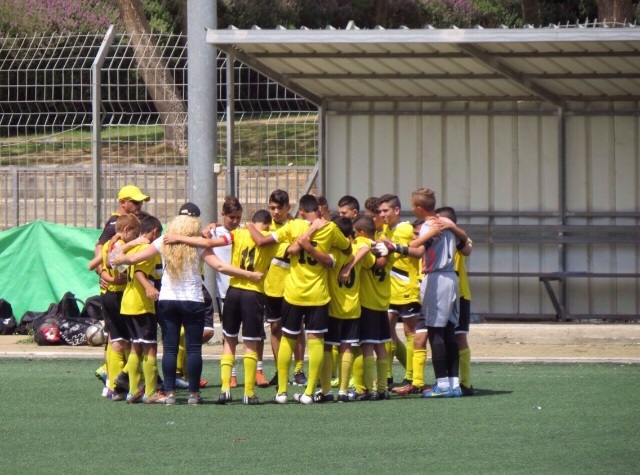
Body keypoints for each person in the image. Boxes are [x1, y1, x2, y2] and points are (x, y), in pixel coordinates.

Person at [111, 203, 263, 405]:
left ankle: (171, 394)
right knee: (193, 349)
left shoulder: (164, 241)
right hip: (192, 299)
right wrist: (249, 274)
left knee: (170, 348)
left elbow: (132, 259)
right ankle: (193, 394)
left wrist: (122, 250)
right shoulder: (198, 243)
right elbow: (220, 266)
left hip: (167, 300)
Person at [165, 209, 278, 405]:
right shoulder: (272, 238)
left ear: (251, 221)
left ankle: (225, 389)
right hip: (253, 292)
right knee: (250, 343)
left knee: (229, 341)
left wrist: (177, 237)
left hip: (232, 292)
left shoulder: (238, 233)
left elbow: (208, 243)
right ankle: (249, 393)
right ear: (268, 225)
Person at [247, 194, 351, 404]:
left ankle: (282, 391)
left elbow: (263, 240)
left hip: (293, 293)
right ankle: (309, 392)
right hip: (318, 295)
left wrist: (248, 226)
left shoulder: (293, 226)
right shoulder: (330, 229)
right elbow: (347, 248)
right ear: (320, 210)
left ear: (301, 210)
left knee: (288, 339)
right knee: (316, 342)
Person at [377, 194, 422, 392]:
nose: (382, 214)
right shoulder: (386, 229)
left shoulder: (406, 228)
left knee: (410, 332)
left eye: (385, 210)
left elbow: (419, 249)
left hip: (407, 287)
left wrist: (395, 247)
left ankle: (411, 377)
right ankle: (386, 376)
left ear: (396, 210)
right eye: (380, 211)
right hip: (389, 289)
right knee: (386, 331)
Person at [119, 215, 166, 404]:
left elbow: (119, 265)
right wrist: (149, 287)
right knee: (150, 347)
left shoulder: (134, 247)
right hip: (141, 304)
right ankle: (151, 392)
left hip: (127, 303)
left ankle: (132, 391)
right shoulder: (148, 249)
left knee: (135, 347)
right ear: (154, 231)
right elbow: (139, 271)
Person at [436, 206, 475, 396]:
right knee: (439, 337)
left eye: (441, 221)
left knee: (459, 337)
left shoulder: (459, 239)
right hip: (438, 293)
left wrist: (452, 228)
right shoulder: (434, 237)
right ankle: (446, 381)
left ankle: (465, 382)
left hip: (459, 295)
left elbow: (467, 248)